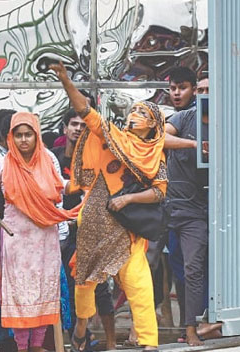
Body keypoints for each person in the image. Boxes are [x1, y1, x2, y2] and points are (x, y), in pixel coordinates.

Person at [51, 61, 184, 352]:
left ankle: (149, 343)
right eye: (133, 110)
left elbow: (159, 192)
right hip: (94, 223)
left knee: (139, 286)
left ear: (153, 125)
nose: (134, 115)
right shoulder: (111, 136)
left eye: (143, 113)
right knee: (84, 286)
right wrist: (64, 79)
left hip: (127, 231)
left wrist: (128, 199)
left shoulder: (154, 155)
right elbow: (85, 112)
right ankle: (82, 327)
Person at [0, 112, 77, 352]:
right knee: (19, 293)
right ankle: (22, 347)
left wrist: (81, 182)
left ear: (37, 136)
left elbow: (61, 186)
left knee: (42, 291)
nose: (24, 140)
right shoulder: (2, 164)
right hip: (15, 239)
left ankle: (37, 346)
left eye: (29, 135)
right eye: (19, 135)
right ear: (10, 137)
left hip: (45, 236)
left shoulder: (48, 159)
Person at [51, 109, 117, 351]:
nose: (78, 128)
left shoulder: (95, 159)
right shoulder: (55, 158)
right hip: (62, 231)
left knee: (99, 288)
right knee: (68, 288)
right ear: (65, 128)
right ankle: (80, 340)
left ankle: (111, 343)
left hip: (91, 230)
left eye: (83, 125)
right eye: (74, 124)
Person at [164, 74, 217, 346]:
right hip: (179, 211)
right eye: (202, 89)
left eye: (211, 89)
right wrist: (195, 145)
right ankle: (192, 325)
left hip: (216, 209)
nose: (206, 93)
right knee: (184, 270)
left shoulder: (227, 119)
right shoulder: (185, 118)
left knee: (201, 268)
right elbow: (161, 139)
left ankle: (201, 324)